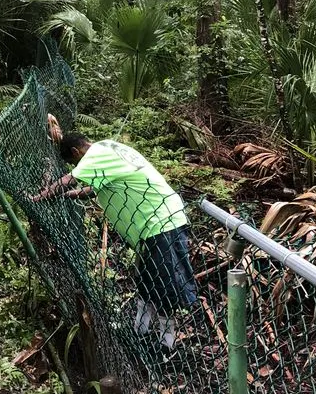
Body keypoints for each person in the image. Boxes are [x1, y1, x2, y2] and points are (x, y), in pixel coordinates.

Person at [31, 121, 197, 349]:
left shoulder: (93, 155)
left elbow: (69, 179)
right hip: (150, 226)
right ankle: (141, 332)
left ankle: (166, 344)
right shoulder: (106, 148)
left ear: (75, 152)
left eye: (73, 162)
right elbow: (95, 188)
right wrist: (70, 196)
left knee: (163, 285)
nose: (76, 166)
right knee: (146, 281)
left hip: (162, 222)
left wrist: (38, 198)